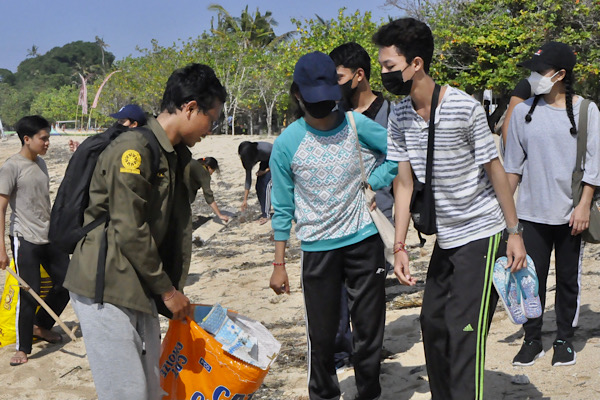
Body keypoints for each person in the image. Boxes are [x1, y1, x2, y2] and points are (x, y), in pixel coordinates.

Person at [373, 18, 526, 399]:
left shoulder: (464, 107)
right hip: (447, 237)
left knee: (464, 330)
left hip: (483, 230)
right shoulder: (400, 115)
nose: (384, 74)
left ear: (417, 63)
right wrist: (399, 246)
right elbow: (404, 184)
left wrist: (514, 233)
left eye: (390, 66)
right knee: (433, 322)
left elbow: (496, 171)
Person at [63, 63, 226, 400]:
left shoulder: (174, 156)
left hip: (139, 284)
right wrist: (167, 292)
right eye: (213, 118)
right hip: (105, 284)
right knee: (127, 392)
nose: (211, 129)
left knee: (152, 388)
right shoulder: (134, 150)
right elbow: (129, 226)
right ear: (190, 107)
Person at [269, 51, 397, 400]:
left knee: (369, 331)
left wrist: (373, 180)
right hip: (317, 248)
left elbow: (398, 153)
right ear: (298, 95)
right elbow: (281, 207)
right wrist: (279, 264)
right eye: (314, 100)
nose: (324, 107)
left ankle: (368, 392)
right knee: (322, 338)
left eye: (329, 98)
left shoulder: (357, 124)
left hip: (364, 241)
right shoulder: (286, 144)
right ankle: (324, 394)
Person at [504, 42, 600, 368]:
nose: (533, 77)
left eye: (539, 71)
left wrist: (584, 205)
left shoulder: (587, 111)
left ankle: (563, 339)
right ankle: (532, 339)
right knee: (529, 280)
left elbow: (594, 165)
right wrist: (508, 218)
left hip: (571, 213)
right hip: (531, 213)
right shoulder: (521, 112)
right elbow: (513, 168)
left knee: (568, 280)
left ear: (560, 75)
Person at [329, 41, 394, 370]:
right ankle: (341, 351)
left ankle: (369, 352)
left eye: (338, 77)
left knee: (369, 293)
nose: (333, 85)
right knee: (337, 288)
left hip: (376, 216)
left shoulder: (390, 114)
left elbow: (399, 161)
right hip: (338, 219)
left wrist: (372, 182)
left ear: (358, 75)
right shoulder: (334, 116)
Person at [0, 115, 70, 366]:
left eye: (48, 137)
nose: (48, 143)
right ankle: (23, 348)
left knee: (67, 283)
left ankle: (41, 326)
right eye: (44, 138)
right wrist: (2, 249)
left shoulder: (41, 163)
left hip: (48, 236)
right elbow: (1, 208)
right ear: (27, 139)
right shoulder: (12, 166)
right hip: (24, 238)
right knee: (28, 291)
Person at [69, 104, 148, 152]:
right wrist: (83, 149)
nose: (118, 124)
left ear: (134, 124)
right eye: (118, 121)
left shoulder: (138, 145)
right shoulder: (116, 139)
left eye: (122, 121)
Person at [238, 141, 272, 225]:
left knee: (266, 185)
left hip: (277, 159)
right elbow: (248, 179)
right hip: (265, 161)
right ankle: (264, 211)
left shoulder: (265, 149)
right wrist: (245, 199)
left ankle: (266, 215)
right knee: (258, 186)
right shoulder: (247, 157)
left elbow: (279, 160)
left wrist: (265, 171)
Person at [189, 156, 230, 222]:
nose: (211, 174)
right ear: (209, 167)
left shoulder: (195, 163)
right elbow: (209, 196)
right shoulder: (204, 173)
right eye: (212, 171)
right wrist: (220, 215)